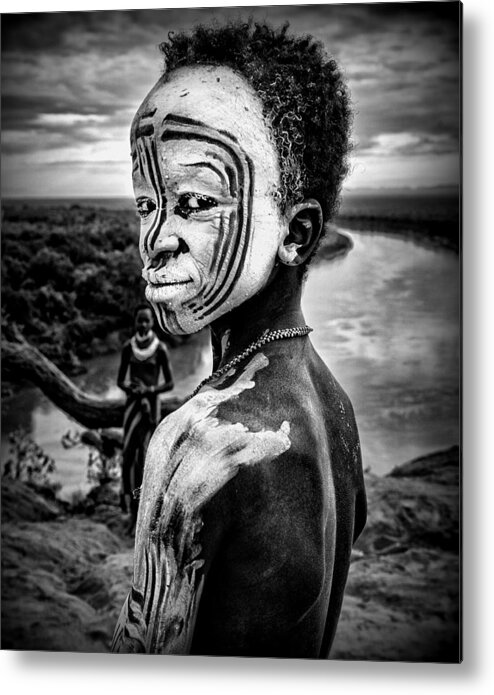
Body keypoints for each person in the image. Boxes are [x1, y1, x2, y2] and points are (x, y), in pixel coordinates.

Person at [112, 21, 366, 658]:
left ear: (297, 234)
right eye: (148, 203)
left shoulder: (201, 445)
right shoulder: (336, 408)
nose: (157, 238)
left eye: (195, 202)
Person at [117, 303, 174, 533]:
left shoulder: (160, 349)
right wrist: (131, 387)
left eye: (146, 320)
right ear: (135, 323)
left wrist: (149, 391)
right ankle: (132, 513)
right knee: (129, 456)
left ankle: (148, 514)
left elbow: (169, 383)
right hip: (132, 408)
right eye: (139, 320)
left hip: (151, 409)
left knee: (148, 459)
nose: (142, 324)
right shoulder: (127, 348)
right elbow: (120, 381)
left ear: (152, 323)